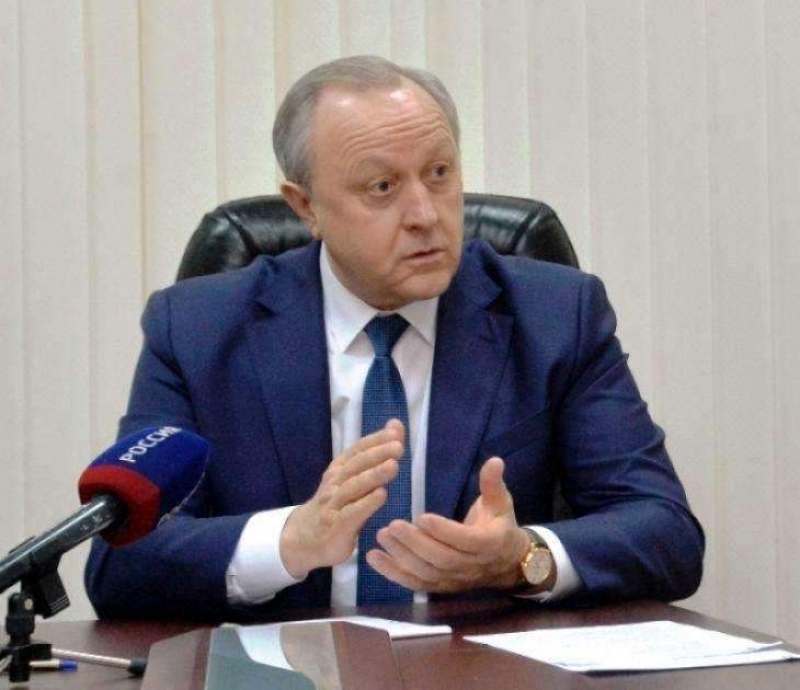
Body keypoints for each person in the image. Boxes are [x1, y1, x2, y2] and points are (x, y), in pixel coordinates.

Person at [85, 55, 704, 622]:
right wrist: (290, 541)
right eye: (382, 187)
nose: (425, 215)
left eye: (439, 174)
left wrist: (520, 558)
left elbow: (667, 534)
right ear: (306, 206)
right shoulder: (198, 330)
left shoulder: (556, 315)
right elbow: (118, 561)